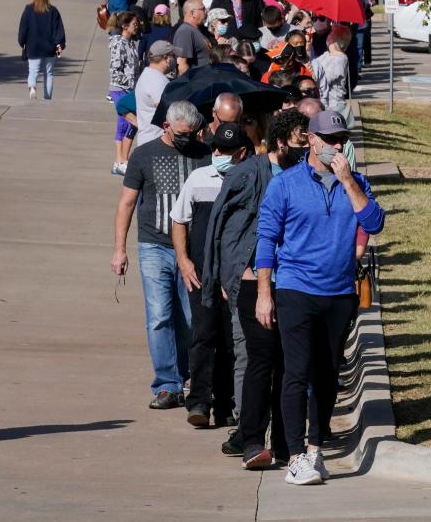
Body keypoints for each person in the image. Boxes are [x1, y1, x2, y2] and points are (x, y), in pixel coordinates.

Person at [256, 110, 385, 485]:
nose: (336, 145)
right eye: (329, 138)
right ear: (311, 140)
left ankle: (315, 449)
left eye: (342, 138)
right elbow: (266, 239)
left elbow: (374, 223)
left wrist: (348, 181)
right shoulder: (286, 185)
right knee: (296, 371)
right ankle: (295, 456)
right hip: (295, 287)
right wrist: (265, 292)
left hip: (340, 291)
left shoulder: (355, 183)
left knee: (328, 374)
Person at [202, 110, 311, 465]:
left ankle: (283, 443)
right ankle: (251, 440)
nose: (305, 147)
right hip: (253, 281)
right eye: (299, 142)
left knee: (288, 364)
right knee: (261, 358)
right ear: (281, 143)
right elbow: (223, 226)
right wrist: (226, 275)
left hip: (292, 283)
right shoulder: (251, 174)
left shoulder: (305, 175)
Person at [111, 101, 212, 409]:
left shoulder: (204, 155)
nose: (188, 138)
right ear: (167, 126)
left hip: (192, 250)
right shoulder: (144, 154)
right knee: (159, 316)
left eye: (192, 133)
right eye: (182, 133)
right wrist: (120, 250)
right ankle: (167, 384)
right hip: (154, 246)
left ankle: (186, 375)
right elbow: (127, 204)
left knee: (189, 317)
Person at [171, 123, 249, 428]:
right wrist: (183, 260)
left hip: (236, 278)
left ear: (241, 153)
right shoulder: (198, 178)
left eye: (226, 150)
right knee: (203, 336)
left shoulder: (249, 181)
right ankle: (199, 403)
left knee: (232, 342)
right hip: (201, 275)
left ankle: (226, 404)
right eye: (215, 148)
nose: (219, 154)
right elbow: (179, 220)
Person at [18, 0, 66, 101]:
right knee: (48, 74)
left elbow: (23, 29)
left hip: (33, 47)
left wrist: (22, 42)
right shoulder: (53, 11)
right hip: (50, 48)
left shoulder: (28, 10)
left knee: (33, 71)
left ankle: (32, 88)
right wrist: (60, 44)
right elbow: (58, 29)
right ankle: (47, 96)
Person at [108, 11, 142, 176]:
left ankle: (121, 160)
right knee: (125, 123)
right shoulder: (119, 44)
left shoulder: (131, 43)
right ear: (124, 26)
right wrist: (128, 84)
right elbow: (115, 69)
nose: (137, 27)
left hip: (131, 89)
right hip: (120, 89)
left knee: (130, 125)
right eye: (134, 24)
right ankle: (121, 161)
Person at [135, 40, 177, 147]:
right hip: (154, 143)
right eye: (173, 56)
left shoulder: (148, 75)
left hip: (148, 140)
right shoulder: (157, 81)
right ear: (166, 59)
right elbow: (167, 113)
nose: (175, 60)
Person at [297, 97, 357, 171]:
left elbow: (353, 175)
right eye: (330, 138)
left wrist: (347, 179)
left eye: (343, 139)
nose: (339, 146)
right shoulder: (288, 147)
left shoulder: (346, 146)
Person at [312, 25, 351, 113]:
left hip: (333, 104)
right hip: (323, 101)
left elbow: (327, 78)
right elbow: (314, 64)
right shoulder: (327, 54)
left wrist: (314, 76)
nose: (328, 38)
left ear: (336, 41)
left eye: (330, 36)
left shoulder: (341, 59)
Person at [173, 0, 210, 74]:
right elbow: (181, 65)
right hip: (197, 82)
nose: (206, 12)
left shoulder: (196, 30)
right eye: (203, 9)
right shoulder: (185, 32)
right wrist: (191, 84)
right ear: (192, 13)